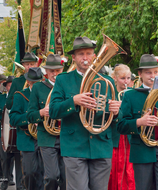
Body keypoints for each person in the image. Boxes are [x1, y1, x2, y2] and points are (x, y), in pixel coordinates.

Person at [49, 37, 122, 190]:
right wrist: (73, 101)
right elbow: (53, 111)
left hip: (101, 145)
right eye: (81, 54)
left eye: (89, 53)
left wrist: (116, 112)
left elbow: (116, 119)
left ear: (95, 56)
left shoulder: (107, 80)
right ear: (73, 58)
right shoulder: (63, 80)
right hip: (74, 145)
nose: (85, 58)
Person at [117, 54, 158, 190]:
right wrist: (140, 121)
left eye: (156, 72)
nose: (152, 75)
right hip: (142, 152)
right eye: (148, 72)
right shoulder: (130, 95)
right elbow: (121, 126)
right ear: (140, 74)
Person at [27, 54, 66, 190]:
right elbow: (30, 115)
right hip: (47, 138)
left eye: (57, 71)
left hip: (67, 136)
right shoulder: (38, 88)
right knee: (51, 177)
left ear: (62, 70)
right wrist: (41, 113)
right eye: (52, 71)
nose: (55, 74)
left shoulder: (66, 86)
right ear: (46, 72)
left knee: (66, 178)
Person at [10, 68, 44, 190]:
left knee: (44, 174)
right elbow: (13, 118)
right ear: (28, 82)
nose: (36, 85)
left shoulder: (47, 94)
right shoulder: (20, 96)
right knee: (29, 173)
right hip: (27, 139)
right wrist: (31, 118)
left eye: (38, 82)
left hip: (44, 137)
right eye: (33, 82)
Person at [0, 76, 20, 190]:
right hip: (3, 133)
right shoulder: (0, 98)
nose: (11, 87)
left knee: (17, 158)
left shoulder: (20, 97)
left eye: (13, 85)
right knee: (4, 157)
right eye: (9, 85)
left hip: (18, 132)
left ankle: (18, 183)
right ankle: (5, 179)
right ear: (6, 87)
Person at [108, 64, 135, 190]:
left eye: (128, 78)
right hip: (115, 136)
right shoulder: (110, 93)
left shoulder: (132, 94)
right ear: (115, 78)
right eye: (123, 78)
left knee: (129, 171)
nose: (126, 82)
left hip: (129, 137)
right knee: (114, 170)